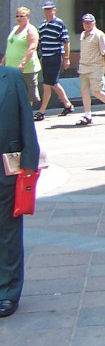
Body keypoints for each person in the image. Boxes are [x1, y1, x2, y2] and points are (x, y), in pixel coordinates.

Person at [0, 65, 40, 318]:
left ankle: (8, 292)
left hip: (7, 167)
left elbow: (26, 118)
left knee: (8, 230)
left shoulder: (11, 77)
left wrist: (29, 161)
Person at [76, 13, 105, 125]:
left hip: (96, 67)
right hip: (84, 67)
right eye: (85, 22)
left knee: (96, 91)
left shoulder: (99, 35)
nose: (87, 24)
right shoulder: (82, 34)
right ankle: (87, 115)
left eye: (89, 22)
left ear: (94, 23)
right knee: (84, 90)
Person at [33, 1, 73, 121]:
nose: (48, 11)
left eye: (50, 9)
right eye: (46, 9)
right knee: (53, 83)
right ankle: (67, 104)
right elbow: (39, 42)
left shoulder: (59, 23)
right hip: (45, 57)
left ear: (54, 10)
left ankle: (42, 111)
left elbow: (66, 41)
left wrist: (66, 58)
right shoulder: (42, 25)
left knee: (47, 84)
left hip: (55, 56)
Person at [1, 7, 41, 107]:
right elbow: (11, 46)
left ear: (27, 17)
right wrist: (3, 61)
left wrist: (23, 62)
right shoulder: (15, 29)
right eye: (17, 16)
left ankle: (26, 118)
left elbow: (32, 47)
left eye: (22, 16)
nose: (19, 18)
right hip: (11, 68)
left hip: (26, 69)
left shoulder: (30, 29)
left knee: (27, 95)